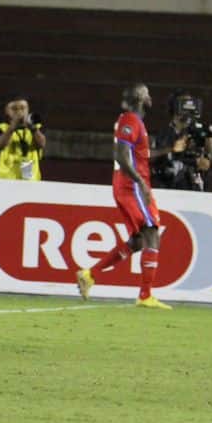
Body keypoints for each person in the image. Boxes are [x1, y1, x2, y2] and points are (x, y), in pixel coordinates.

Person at [75, 83, 170, 309]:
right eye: (146, 93)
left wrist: (170, 150)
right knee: (151, 233)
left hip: (128, 185)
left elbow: (140, 155)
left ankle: (90, 274)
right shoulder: (130, 120)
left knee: (138, 240)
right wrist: (140, 182)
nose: (150, 97)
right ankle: (145, 295)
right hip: (131, 186)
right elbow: (121, 155)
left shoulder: (134, 122)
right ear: (139, 97)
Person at [149, 92, 212, 192]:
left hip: (196, 187)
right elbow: (151, 157)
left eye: (191, 103)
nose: (188, 107)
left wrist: (208, 154)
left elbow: (206, 161)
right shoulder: (165, 133)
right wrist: (172, 149)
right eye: (184, 103)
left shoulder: (198, 131)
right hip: (170, 186)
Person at [0, 97, 46, 181]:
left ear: (28, 110)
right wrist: (11, 128)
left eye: (23, 108)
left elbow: (42, 144)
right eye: (14, 109)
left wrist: (32, 128)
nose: (19, 112)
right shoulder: (1, 128)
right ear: (6, 111)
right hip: (6, 180)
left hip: (30, 181)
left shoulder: (36, 128)